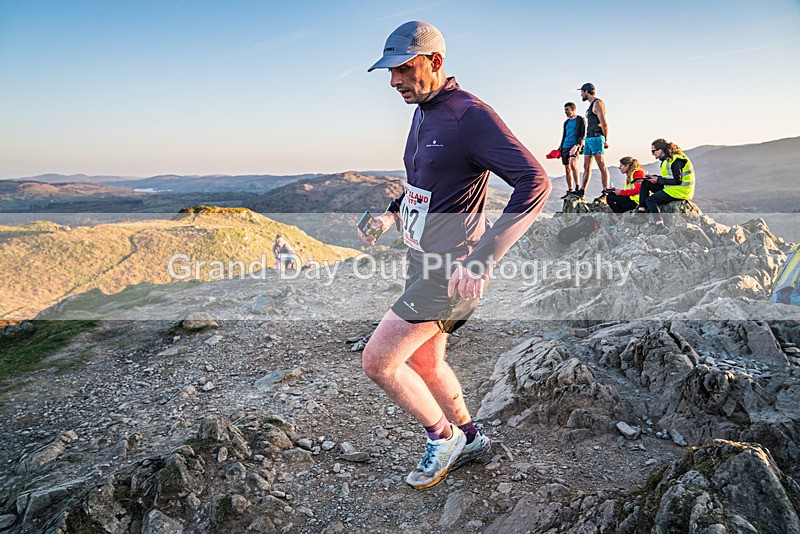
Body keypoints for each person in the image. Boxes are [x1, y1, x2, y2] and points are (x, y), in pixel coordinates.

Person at [362, 21, 551, 490]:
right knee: (425, 363)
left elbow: (535, 181)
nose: (394, 81)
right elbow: (421, 183)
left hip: (451, 269)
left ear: (436, 62)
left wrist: (482, 259)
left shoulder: (471, 115)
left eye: (404, 68)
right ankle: (470, 438)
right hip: (421, 258)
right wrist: (391, 216)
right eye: (390, 71)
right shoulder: (424, 110)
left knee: (379, 363)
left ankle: (440, 437)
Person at [637, 138, 696, 228]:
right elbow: (670, 177)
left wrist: (658, 180)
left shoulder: (676, 160)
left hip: (680, 191)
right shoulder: (668, 159)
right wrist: (656, 178)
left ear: (660, 150)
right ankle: (641, 212)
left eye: (653, 151)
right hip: (672, 188)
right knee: (646, 183)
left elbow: (677, 181)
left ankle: (660, 225)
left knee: (651, 200)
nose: (652, 154)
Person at [577, 83, 611, 201]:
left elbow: (604, 123)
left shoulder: (598, 103)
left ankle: (605, 192)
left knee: (601, 164)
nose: (581, 94)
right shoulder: (591, 104)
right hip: (589, 138)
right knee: (586, 166)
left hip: (597, 137)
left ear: (586, 91)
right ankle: (582, 191)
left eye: (582, 92)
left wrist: (605, 139)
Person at [555, 102, 586, 199]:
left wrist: (577, 145)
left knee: (573, 164)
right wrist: (560, 148)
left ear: (573, 109)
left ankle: (577, 187)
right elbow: (564, 136)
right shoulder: (566, 122)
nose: (566, 112)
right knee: (567, 169)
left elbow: (583, 134)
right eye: (565, 110)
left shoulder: (580, 119)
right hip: (565, 146)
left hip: (574, 146)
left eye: (567, 110)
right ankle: (570, 190)